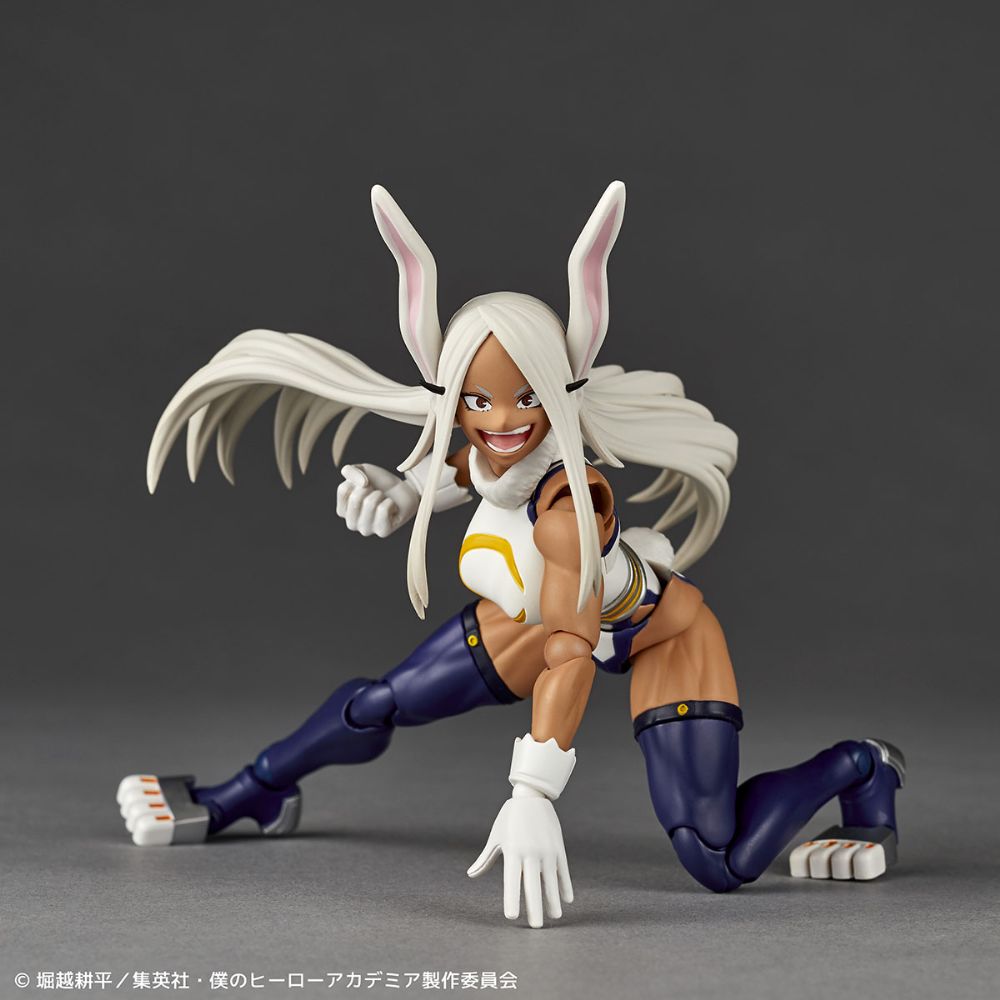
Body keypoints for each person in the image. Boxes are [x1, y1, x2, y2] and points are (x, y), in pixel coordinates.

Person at [117, 182, 904, 928]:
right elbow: (464, 469)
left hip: (653, 632)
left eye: (528, 399)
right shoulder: (489, 455)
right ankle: (246, 795)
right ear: (453, 397)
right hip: (531, 616)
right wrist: (400, 490)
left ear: (558, 393)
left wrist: (533, 793)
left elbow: (570, 649)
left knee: (716, 856)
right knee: (377, 703)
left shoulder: (567, 508)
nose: (503, 420)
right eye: (479, 400)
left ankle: (861, 768)